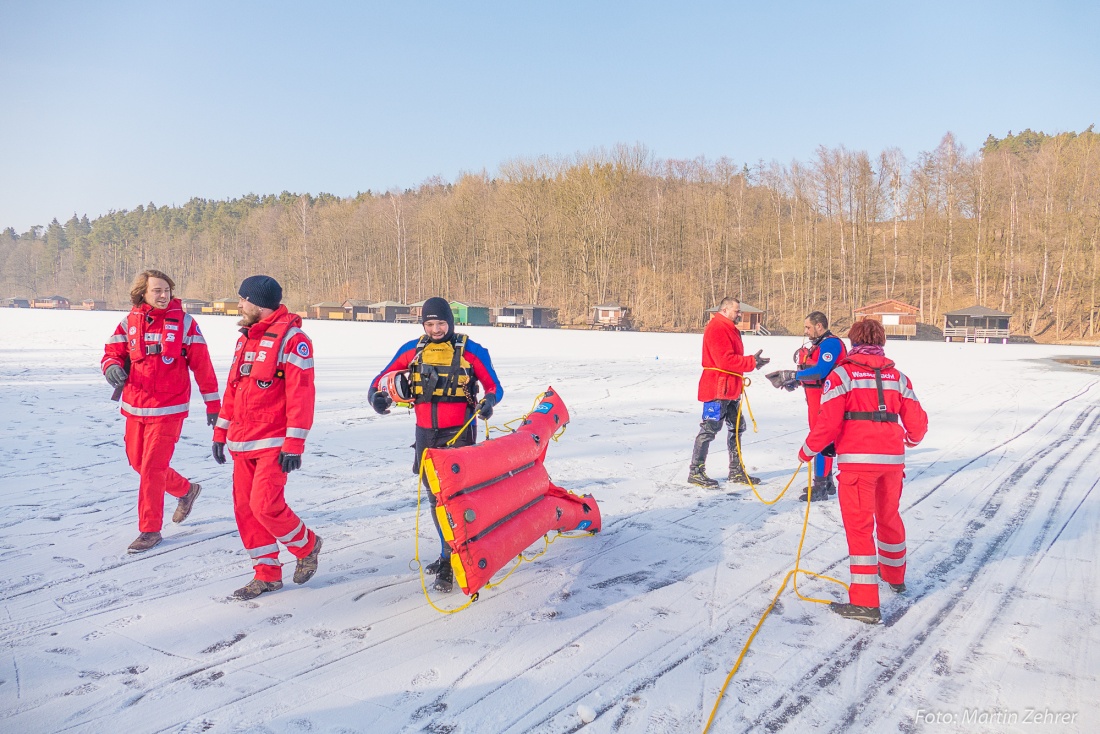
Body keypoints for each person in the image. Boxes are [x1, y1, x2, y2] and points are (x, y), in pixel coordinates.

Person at [798, 318, 928, 624]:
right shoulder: (899, 377)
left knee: (859, 529)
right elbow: (918, 424)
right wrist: (909, 438)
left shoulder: (841, 375)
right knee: (889, 518)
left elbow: (827, 422)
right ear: (882, 342)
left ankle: (866, 603)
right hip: (892, 462)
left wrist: (807, 450)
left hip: (858, 462)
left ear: (853, 342)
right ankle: (895, 576)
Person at [368, 297, 503, 593]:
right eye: (430, 324)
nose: (436, 329)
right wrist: (376, 398)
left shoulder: (471, 350)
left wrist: (489, 402)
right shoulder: (412, 350)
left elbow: (494, 386)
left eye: (441, 323)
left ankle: (452, 558)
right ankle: (447, 553)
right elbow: (380, 379)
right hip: (425, 436)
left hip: (460, 435)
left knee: (456, 500)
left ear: (450, 322)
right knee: (435, 500)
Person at [212, 276, 323, 600]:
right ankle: (266, 575)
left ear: (257, 304)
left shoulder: (293, 339)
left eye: (242, 300)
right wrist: (221, 432)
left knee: (264, 505)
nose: (239, 306)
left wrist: (294, 443)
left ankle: (307, 545)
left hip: (274, 441)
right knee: (245, 509)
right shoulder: (244, 340)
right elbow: (233, 390)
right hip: (241, 441)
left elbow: (302, 395)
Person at [101, 269, 220, 553]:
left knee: (152, 469)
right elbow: (112, 352)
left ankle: (150, 530)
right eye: (157, 290)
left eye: (166, 290)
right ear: (143, 292)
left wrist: (213, 404)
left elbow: (203, 365)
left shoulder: (186, 324)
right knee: (138, 463)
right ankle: (186, 490)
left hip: (169, 408)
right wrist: (112, 367)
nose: (163, 295)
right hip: (134, 405)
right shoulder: (129, 321)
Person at [689, 296, 770, 488]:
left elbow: (732, 359)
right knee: (710, 428)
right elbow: (724, 360)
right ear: (725, 310)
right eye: (737, 311)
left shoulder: (728, 328)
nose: (739, 314)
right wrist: (751, 362)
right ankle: (696, 470)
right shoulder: (717, 328)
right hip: (718, 387)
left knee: (736, 428)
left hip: (731, 387)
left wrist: (752, 362)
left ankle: (736, 470)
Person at [788, 312, 848, 501]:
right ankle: (827, 482)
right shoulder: (818, 345)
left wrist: (792, 376)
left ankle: (821, 485)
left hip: (826, 399)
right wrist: (796, 381)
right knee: (823, 438)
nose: (806, 331)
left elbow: (821, 370)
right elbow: (812, 371)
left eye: (808, 327)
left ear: (819, 326)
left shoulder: (830, 344)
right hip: (816, 399)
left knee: (821, 438)